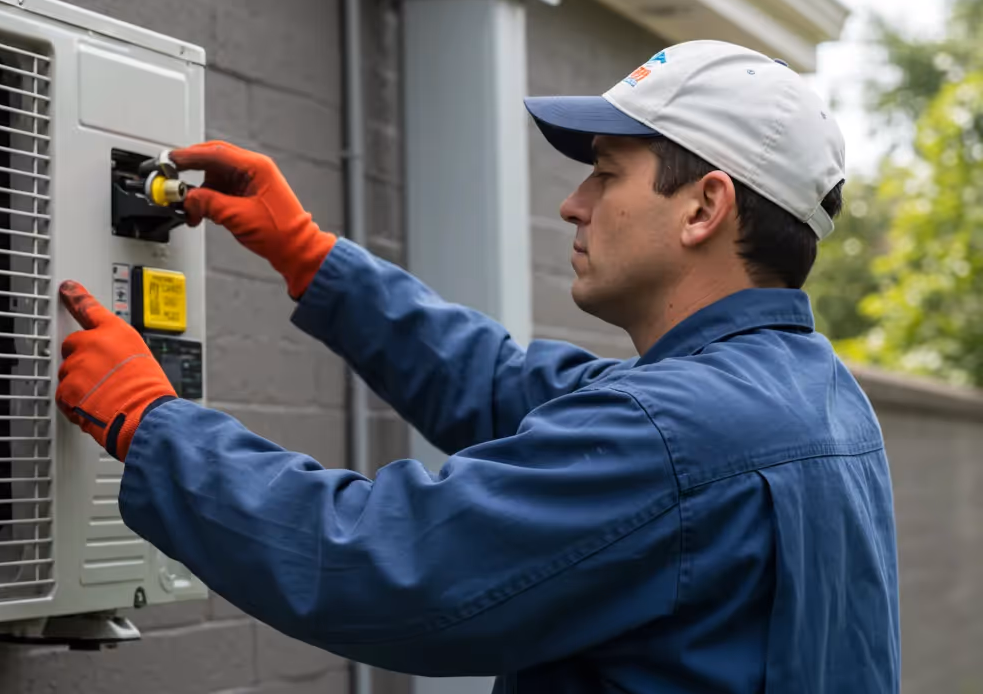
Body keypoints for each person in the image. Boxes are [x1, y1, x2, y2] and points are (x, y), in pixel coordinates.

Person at [52, 40, 900, 692]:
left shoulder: (674, 433)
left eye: (606, 175)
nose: (574, 203)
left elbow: (384, 566)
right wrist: (311, 257)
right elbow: (504, 386)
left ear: (705, 207)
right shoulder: (816, 397)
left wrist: (153, 426)